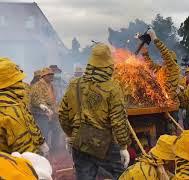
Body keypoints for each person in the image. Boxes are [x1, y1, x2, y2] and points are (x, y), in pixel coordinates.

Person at [58, 43, 131, 180]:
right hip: (105, 144)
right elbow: (118, 121)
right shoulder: (113, 87)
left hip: (79, 143)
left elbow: (62, 114)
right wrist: (123, 146)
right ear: (109, 64)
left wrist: (71, 134)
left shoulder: (74, 83)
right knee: (121, 176)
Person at [0, 58, 47, 154]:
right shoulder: (10, 110)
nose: (20, 82)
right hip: (13, 164)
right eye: (18, 79)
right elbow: (24, 150)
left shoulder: (16, 102)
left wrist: (40, 141)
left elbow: (30, 121)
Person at [141, 29, 181, 134]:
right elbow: (150, 65)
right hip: (161, 105)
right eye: (163, 59)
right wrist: (145, 52)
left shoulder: (173, 68)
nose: (163, 60)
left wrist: (155, 38)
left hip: (171, 107)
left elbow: (166, 54)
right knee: (161, 134)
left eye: (165, 59)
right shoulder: (162, 69)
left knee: (171, 134)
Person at [30, 68, 55, 142]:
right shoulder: (37, 85)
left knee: (54, 131)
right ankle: (42, 151)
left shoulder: (50, 85)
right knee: (43, 133)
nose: (51, 76)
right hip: (40, 114)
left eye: (52, 74)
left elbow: (52, 99)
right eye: (49, 74)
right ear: (43, 76)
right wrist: (44, 107)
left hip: (49, 114)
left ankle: (53, 149)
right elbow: (36, 99)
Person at [49, 65, 67, 152]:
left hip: (60, 109)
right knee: (49, 130)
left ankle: (57, 148)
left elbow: (66, 94)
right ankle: (50, 148)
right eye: (55, 72)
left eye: (58, 72)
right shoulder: (48, 84)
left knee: (58, 129)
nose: (57, 74)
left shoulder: (64, 82)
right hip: (49, 110)